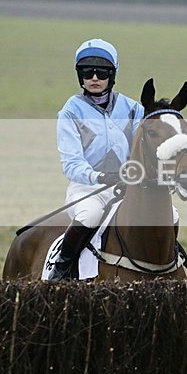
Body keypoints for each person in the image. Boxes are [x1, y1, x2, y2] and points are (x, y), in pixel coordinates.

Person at [48, 38, 144, 281]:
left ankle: (173, 264)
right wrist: (99, 176)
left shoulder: (133, 109)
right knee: (90, 215)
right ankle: (61, 271)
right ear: (79, 75)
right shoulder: (70, 111)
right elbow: (71, 163)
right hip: (87, 189)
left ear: (113, 75)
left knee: (170, 215)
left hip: (127, 189)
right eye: (86, 71)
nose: (94, 78)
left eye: (102, 72)